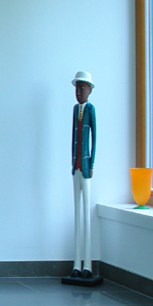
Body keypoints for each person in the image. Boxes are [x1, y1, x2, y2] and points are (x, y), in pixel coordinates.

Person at [65, 70, 101, 285]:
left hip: (86, 167)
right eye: (77, 88)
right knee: (77, 214)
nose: (79, 92)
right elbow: (74, 138)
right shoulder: (74, 110)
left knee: (86, 215)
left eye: (83, 88)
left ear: (89, 90)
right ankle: (76, 265)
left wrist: (91, 163)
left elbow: (94, 137)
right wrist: (73, 161)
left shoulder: (90, 110)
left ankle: (87, 265)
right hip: (75, 167)